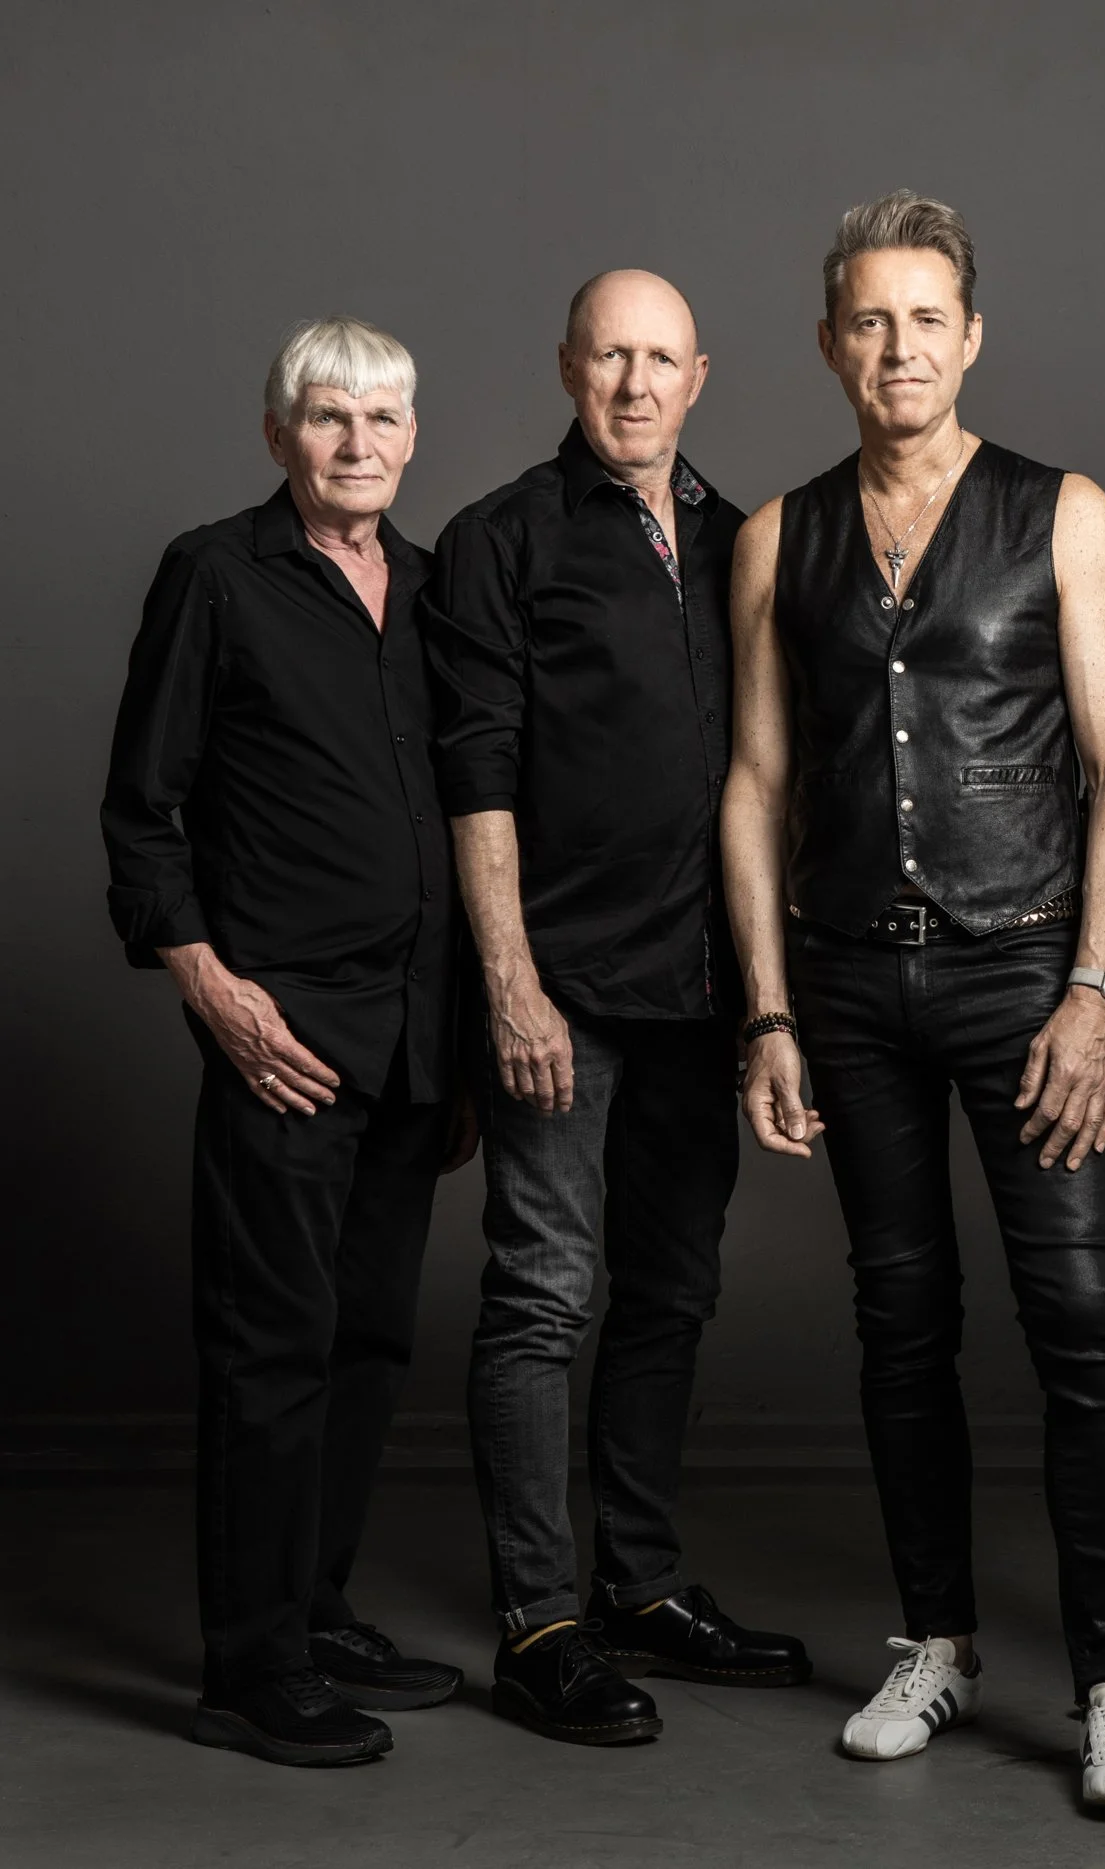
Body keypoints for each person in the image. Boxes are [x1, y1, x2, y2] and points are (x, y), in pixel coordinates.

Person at [721, 192, 1105, 1814]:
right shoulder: (778, 536)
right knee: (900, 1324)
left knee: (1084, 1323)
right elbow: (757, 782)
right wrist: (769, 1014)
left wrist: (1096, 994)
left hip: (1026, 975)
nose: (899, 347)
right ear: (830, 342)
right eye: (870, 321)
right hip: (848, 983)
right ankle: (937, 1642)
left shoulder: (1063, 513)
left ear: (970, 337)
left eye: (926, 319)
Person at [426, 271, 808, 1747]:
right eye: (611, 358)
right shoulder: (503, 536)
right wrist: (509, 983)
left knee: (672, 1291)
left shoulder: (738, 536)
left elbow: (773, 776)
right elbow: (476, 777)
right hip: (563, 990)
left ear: (699, 377)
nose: (636, 385)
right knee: (541, 1294)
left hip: (700, 991)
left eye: (662, 360)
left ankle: (639, 1586)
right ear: (568, 367)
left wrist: (769, 1002)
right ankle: (540, 1624)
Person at [101, 317, 469, 1766]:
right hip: (286, 1041)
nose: (357, 442)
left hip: (414, 1042)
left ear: (413, 438)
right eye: (328, 416)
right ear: (279, 436)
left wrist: (458, 1046)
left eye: (382, 418)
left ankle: (316, 1612)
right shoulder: (215, 574)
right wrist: (211, 986)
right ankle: (248, 1666)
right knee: (273, 1347)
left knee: (369, 1338)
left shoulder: (435, 592)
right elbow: (143, 810)